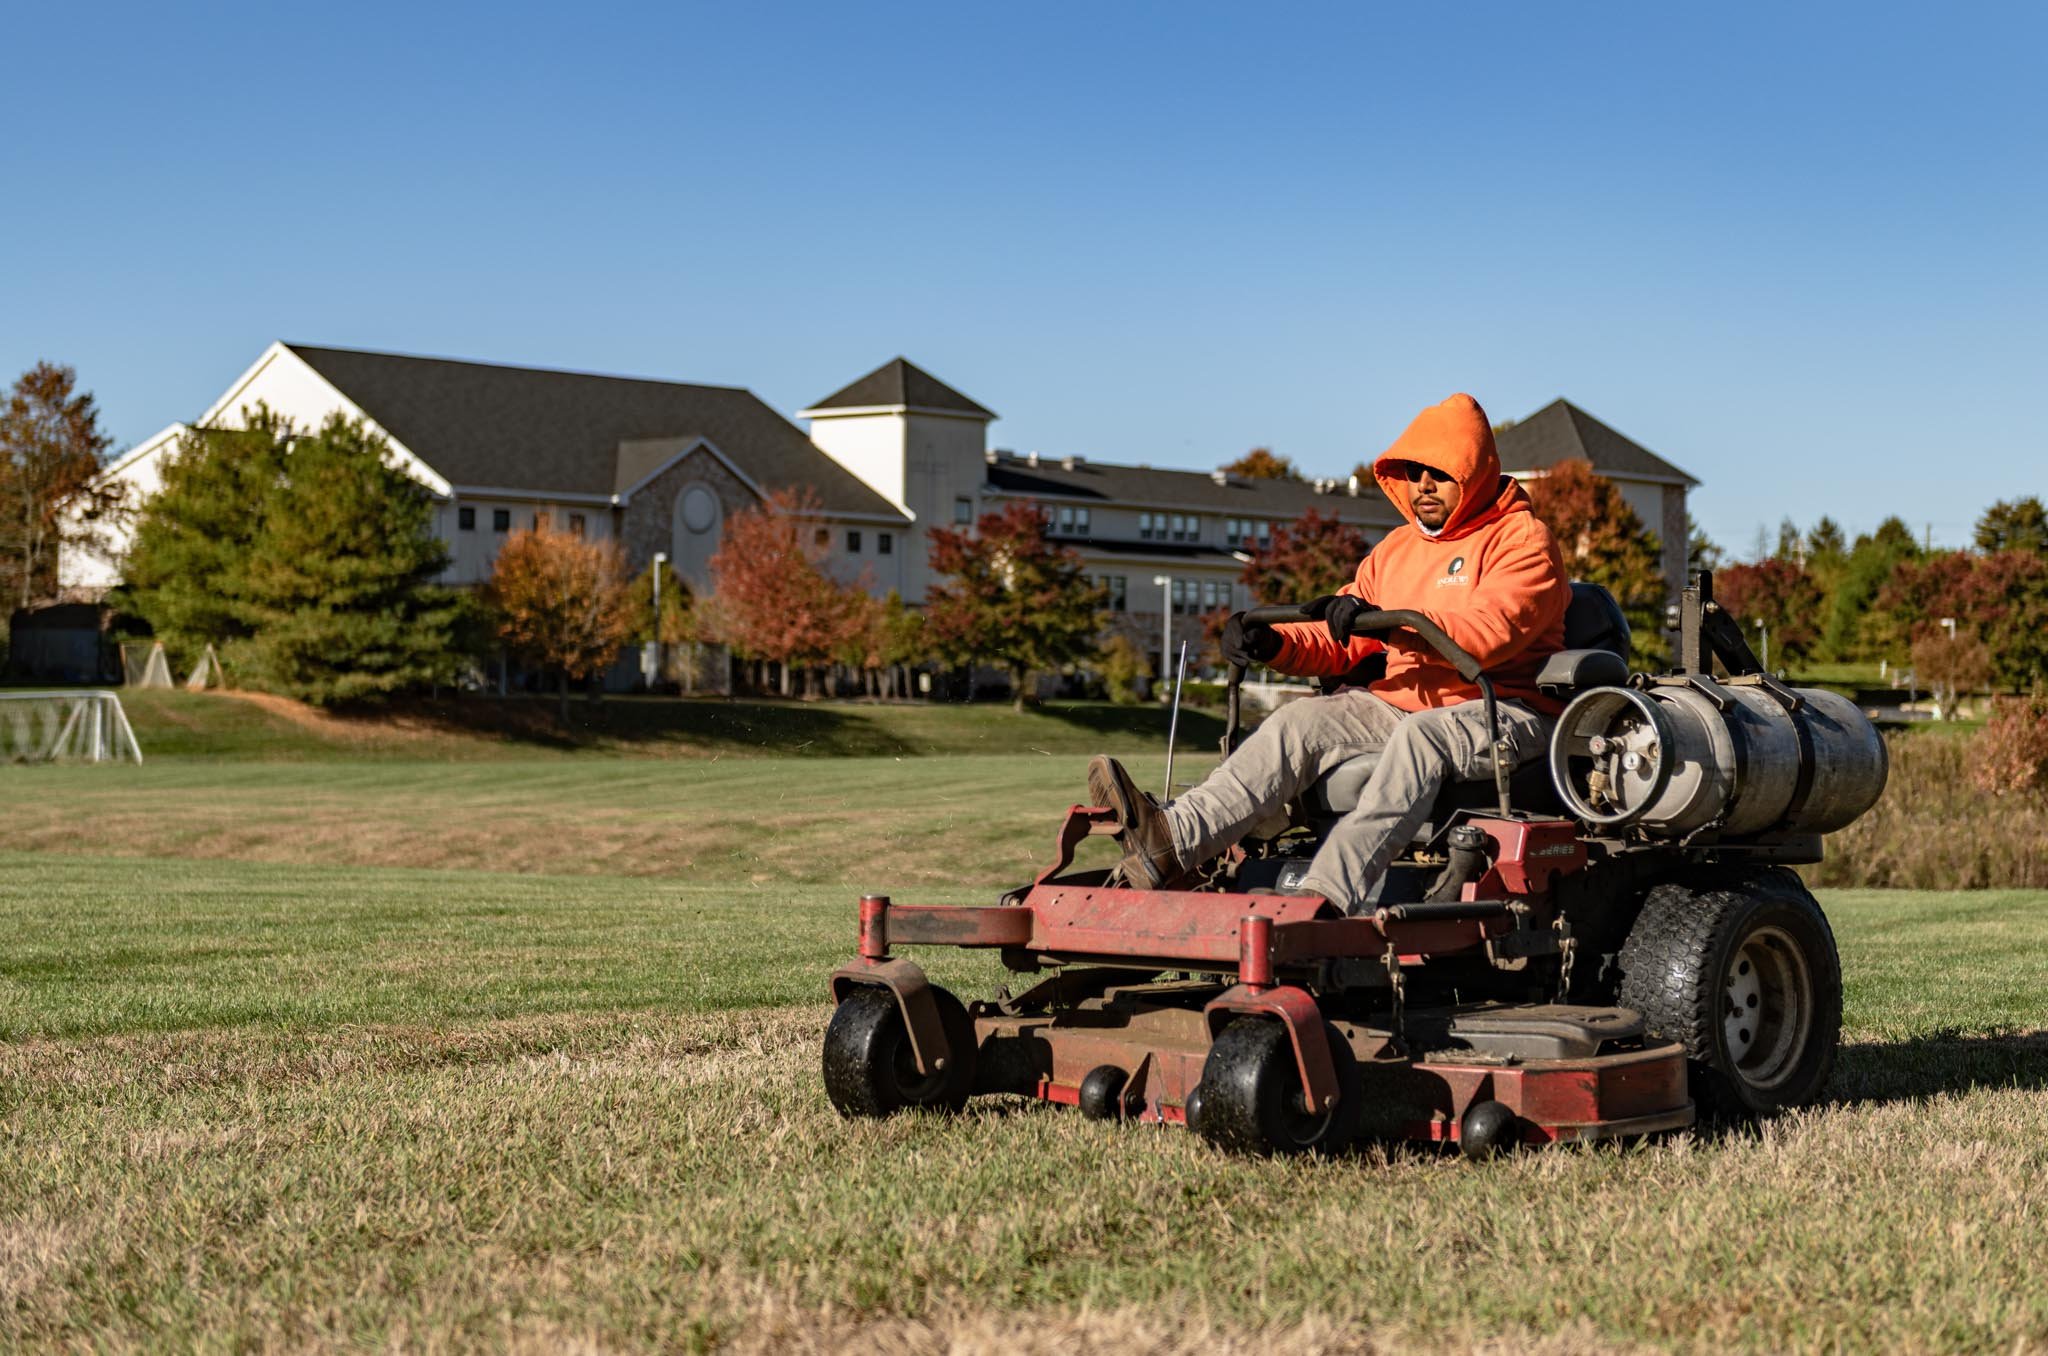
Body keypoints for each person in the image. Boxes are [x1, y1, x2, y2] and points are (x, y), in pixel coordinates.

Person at [1088, 393, 1572, 912]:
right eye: (1412, 472)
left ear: (1474, 473)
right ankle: (1171, 841)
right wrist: (1275, 643)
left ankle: (1326, 897)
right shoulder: (1395, 550)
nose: (1423, 486)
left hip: (1503, 707)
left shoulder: (1524, 541)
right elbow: (1338, 636)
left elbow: (1489, 631)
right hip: (1400, 704)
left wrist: (1390, 629)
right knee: (1300, 721)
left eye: (1439, 472)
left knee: (1420, 736)